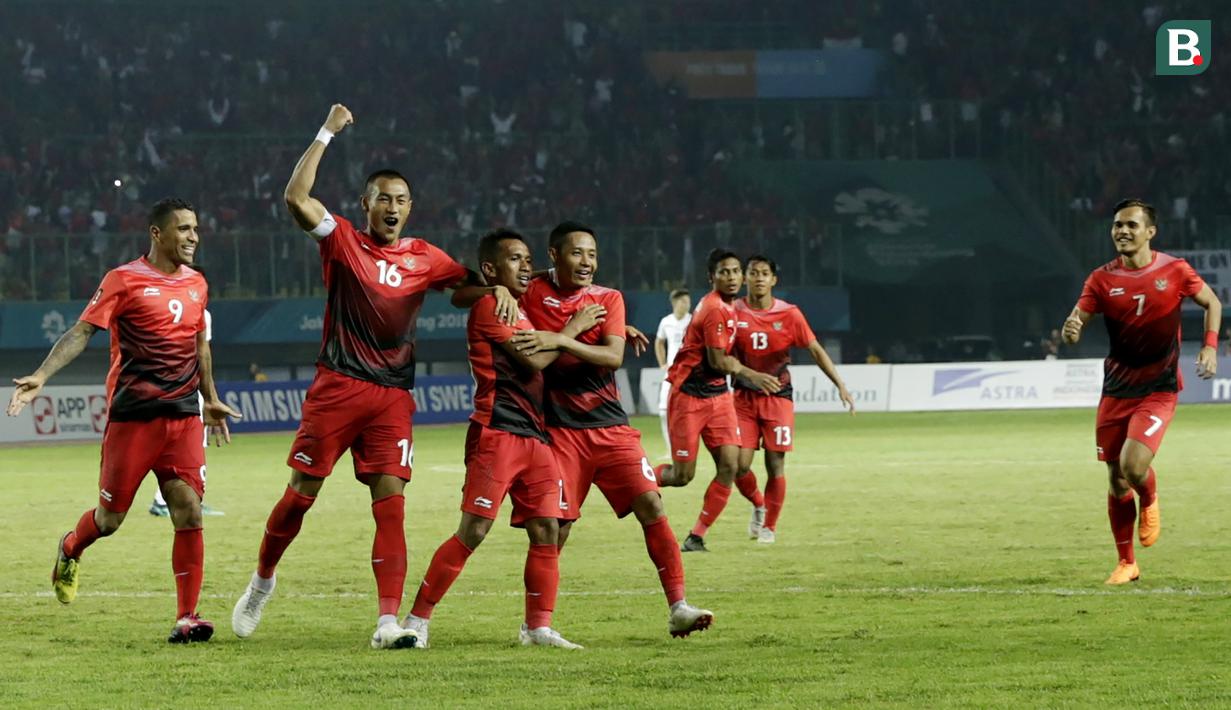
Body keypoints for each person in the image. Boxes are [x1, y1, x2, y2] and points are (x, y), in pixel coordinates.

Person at [230, 104, 517, 649]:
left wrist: (493, 288)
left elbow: (461, 287)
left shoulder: (425, 257)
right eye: (383, 198)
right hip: (337, 386)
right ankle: (261, 582)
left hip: (392, 397)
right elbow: (295, 197)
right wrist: (326, 133)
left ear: (411, 209)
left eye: (402, 200)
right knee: (300, 496)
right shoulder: (341, 239)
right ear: (365, 205)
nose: (392, 206)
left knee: (391, 503)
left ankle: (388, 622)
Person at [7, 197, 241, 643]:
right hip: (132, 420)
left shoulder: (197, 284)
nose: (194, 236)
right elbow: (82, 332)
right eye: (184, 229)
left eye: (196, 228)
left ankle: (187, 616)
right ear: (158, 234)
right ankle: (70, 547)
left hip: (183, 417)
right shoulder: (124, 280)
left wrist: (209, 398)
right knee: (110, 519)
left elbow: (200, 347)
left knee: (189, 510)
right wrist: (41, 374)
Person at [510, 221, 714, 637]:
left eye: (592, 254)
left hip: (610, 428)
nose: (587, 262)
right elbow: (487, 289)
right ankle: (536, 626)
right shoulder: (529, 291)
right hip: (558, 432)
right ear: (554, 255)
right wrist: (497, 290)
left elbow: (612, 357)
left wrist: (564, 340)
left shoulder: (607, 298)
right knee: (554, 528)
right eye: (577, 253)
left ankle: (679, 607)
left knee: (652, 506)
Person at [404, 230, 600, 649]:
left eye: (529, 259)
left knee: (548, 527)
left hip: (534, 435)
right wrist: (574, 329)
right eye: (516, 259)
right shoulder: (493, 305)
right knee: (474, 530)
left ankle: (537, 628)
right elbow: (536, 360)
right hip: (497, 431)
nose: (527, 266)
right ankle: (417, 619)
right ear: (492, 268)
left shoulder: (516, 303)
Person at [1061, 198, 1221, 585]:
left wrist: (1210, 345)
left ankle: (1149, 498)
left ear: (1151, 232)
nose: (1122, 231)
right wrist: (1072, 328)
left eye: (1132, 225)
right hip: (1117, 388)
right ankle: (1127, 563)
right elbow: (1079, 316)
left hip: (1159, 387)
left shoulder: (1174, 270)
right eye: (1117, 225)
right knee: (1115, 478)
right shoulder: (1101, 279)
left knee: (1134, 468)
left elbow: (1211, 302)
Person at [653, 249, 781, 554]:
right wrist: (754, 375)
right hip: (688, 395)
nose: (733, 277)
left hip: (718, 397)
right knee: (682, 475)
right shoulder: (714, 309)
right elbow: (719, 360)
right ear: (712, 277)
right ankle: (635, 476)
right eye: (724, 272)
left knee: (731, 464)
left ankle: (697, 536)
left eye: (737, 271)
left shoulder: (731, 305)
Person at [728, 255, 855, 545]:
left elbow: (816, 350)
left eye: (764, 273)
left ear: (774, 280)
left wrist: (840, 385)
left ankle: (769, 527)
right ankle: (759, 504)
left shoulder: (789, 314)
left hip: (778, 397)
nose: (759, 278)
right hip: (743, 397)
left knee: (776, 464)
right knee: (737, 466)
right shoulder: (732, 312)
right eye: (753, 273)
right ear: (745, 278)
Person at [654, 289, 691, 458]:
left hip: (690, 374)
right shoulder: (666, 322)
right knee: (663, 411)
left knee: (687, 413)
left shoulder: (692, 321)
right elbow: (659, 342)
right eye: (684, 301)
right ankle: (670, 450)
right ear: (675, 303)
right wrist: (662, 363)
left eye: (688, 301)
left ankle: (687, 448)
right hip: (671, 374)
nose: (688, 304)